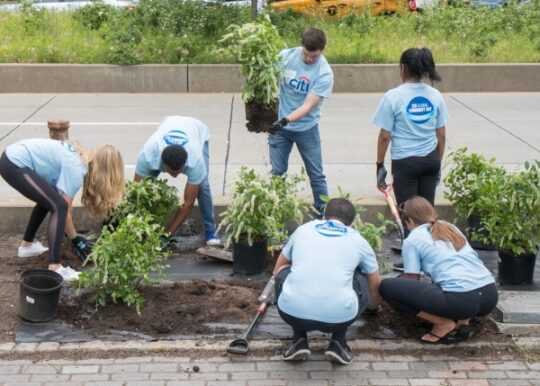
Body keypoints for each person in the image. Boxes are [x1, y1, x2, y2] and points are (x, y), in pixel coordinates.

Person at [272, 198, 382, 365]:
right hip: (340, 318)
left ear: (324, 217)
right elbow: (375, 283)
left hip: (291, 314)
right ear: (351, 223)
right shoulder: (359, 241)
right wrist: (372, 308)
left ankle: (299, 340)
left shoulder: (303, 230)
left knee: (284, 272)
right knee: (361, 275)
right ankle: (338, 342)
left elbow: (278, 269)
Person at [0, 139, 125, 281]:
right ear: (105, 171)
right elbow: (64, 213)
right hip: (14, 163)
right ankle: (55, 267)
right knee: (59, 206)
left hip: (11, 158)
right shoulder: (76, 169)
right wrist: (77, 240)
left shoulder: (80, 159)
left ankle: (26, 246)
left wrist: (75, 238)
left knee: (52, 198)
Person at [379, 196, 498, 344]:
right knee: (452, 283)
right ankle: (463, 320)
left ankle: (442, 323)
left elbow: (412, 280)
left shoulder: (412, 240)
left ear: (409, 221)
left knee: (387, 287)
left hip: (463, 300)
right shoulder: (450, 227)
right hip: (489, 296)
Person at [269, 27, 334, 215]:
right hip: (280, 129)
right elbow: (267, 78)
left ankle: (323, 213)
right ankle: (276, 216)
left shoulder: (324, 73)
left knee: (316, 174)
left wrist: (285, 120)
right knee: (277, 174)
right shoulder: (286, 56)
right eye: (306, 54)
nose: (308, 59)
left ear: (323, 49)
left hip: (307, 128)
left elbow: (308, 107)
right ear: (301, 46)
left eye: (313, 56)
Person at [373, 47, 448, 208]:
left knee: (409, 215)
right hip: (431, 161)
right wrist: (437, 163)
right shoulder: (435, 95)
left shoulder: (393, 96)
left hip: (405, 163)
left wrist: (380, 164)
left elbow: (385, 136)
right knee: (427, 214)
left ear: (402, 68)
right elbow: (441, 135)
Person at [134, 115, 220, 245]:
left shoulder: (195, 160)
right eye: (172, 173)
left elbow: (188, 203)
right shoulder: (148, 155)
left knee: (203, 186)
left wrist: (166, 236)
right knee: (144, 189)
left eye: (179, 172)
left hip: (198, 129)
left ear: (185, 164)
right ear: (163, 164)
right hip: (169, 122)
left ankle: (211, 231)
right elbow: (135, 192)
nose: (175, 177)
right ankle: (142, 228)